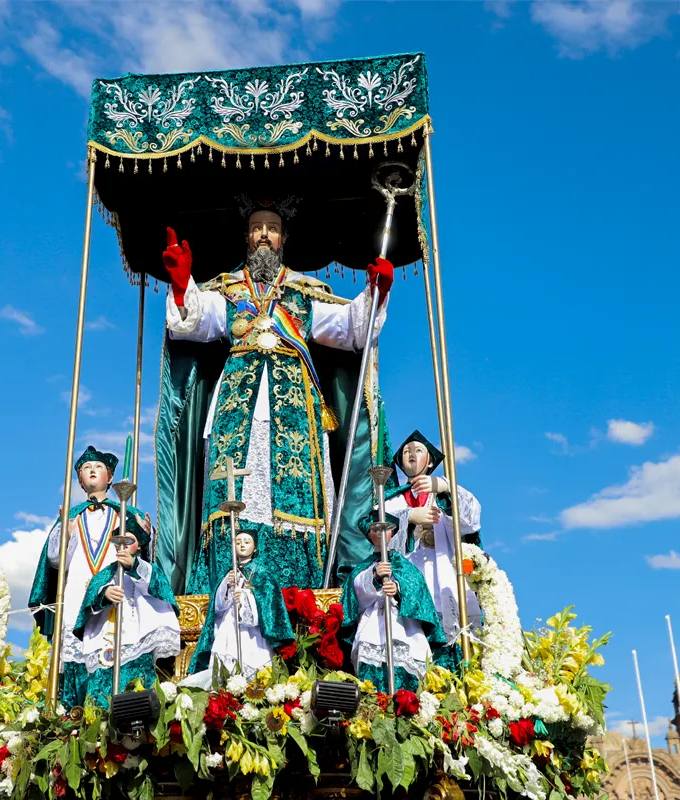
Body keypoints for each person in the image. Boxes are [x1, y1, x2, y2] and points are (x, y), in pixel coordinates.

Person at [157, 198, 395, 594]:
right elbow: (193, 323)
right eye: (256, 228)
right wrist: (183, 285)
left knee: (298, 500)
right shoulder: (227, 290)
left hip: (295, 407)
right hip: (237, 404)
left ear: (283, 238)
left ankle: (304, 592)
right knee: (233, 495)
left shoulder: (304, 291)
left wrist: (375, 291)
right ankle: (223, 585)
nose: (263, 234)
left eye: (271, 227)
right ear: (247, 238)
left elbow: (352, 330)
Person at [26, 445, 152, 705]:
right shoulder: (72, 516)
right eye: (86, 468)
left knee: (117, 648)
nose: (92, 471)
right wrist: (65, 532)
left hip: (117, 590)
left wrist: (146, 536)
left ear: (110, 477)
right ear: (80, 481)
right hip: (77, 595)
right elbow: (54, 561)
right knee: (77, 654)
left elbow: (142, 556)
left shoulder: (127, 512)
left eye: (98, 467)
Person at [382, 430, 482, 669]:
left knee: (455, 637)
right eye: (406, 452)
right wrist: (407, 517)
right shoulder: (391, 500)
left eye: (418, 451)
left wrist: (444, 485)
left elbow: (471, 519)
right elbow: (375, 532)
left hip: (443, 570)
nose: (412, 455)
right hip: (410, 577)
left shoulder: (443, 493)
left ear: (430, 462)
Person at [73, 526, 180, 709]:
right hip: (106, 643)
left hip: (136, 641)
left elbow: (159, 588)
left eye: (129, 541)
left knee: (135, 690)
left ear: (139, 546)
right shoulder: (105, 575)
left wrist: (133, 567)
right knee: (100, 694)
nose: (123, 546)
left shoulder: (147, 569)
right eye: (119, 542)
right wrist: (104, 594)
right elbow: (89, 601)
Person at [339, 512, 445, 693]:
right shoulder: (362, 568)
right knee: (372, 682)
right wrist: (372, 576)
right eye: (375, 529)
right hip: (372, 626)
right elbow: (353, 596)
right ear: (369, 535)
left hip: (404, 628)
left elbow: (417, 590)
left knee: (407, 679)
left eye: (385, 528)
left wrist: (398, 589)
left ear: (393, 532)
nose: (380, 533)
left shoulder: (405, 566)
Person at [182, 529, 294, 689]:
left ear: (255, 547)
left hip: (253, 633)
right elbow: (218, 607)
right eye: (238, 542)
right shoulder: (227, 573)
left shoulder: (262, 573)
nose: (242, 545)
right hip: (230, 626)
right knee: (225, 668)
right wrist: (226, 587)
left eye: (247, 542)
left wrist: (245, 597)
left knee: (255, 668)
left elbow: (269, 603)